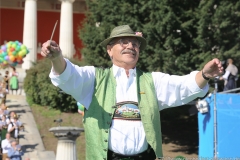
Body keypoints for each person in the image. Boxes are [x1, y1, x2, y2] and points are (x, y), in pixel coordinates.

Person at [41, 25, 223, 160]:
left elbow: (184, 86)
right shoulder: (94, 79)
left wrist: (204, 74)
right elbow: (69, 75)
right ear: (109, 50)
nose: (130, 46)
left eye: (135, 44)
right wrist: (57, 57)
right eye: (123, 42)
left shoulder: (153, 81)